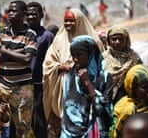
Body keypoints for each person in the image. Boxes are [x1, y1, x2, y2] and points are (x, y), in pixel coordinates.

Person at [42, 8, 104, 137]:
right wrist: (62, 67)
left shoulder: (92, 41)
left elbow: (100, 66)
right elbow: (48, 64)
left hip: (86, 89)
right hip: (62, 90)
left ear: (79, 21)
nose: (68, 24)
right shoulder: (59, 40)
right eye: (66, 21)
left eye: (71, 21)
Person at [0, 0, 37, 137]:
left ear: (23, 14)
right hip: (2, 85)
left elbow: (27, 59)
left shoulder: (30, 34)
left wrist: (5, 52)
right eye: (9, 11)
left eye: (14, 11)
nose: (10, 14)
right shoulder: (1, 32)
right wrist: (18, 54)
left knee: (23, 127)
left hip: (23, 88)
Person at [60, 35, 113, 138]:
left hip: (94, 131)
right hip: (69, 132)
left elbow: (106, 110)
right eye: (73, 55)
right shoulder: (71, 75)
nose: (75, 59)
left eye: (79, 54)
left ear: (91, 54)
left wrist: (88, 83)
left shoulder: (104, 77)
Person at [26, 1, 55, 138]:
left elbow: (51, 61)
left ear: (41, 15)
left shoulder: (47, 36)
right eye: (28, 14)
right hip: (21, 84)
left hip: (38, 85)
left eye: (34, 14)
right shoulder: (22, 34)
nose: (31, 17)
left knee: (39, 121)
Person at [102, 25, 141, 104]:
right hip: (108, 99)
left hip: (130, 99)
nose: (117, 42)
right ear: (108, 41)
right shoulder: (103, 58)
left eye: (121, 39)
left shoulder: (134, 57)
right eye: (114, 39)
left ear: (126, 40)